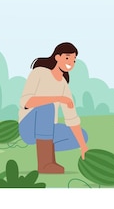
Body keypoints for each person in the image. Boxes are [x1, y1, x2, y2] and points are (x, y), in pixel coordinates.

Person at [18, 42, 89, 174]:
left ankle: (47, 154)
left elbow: (71, 118)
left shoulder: (63, 83)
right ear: (57, 57)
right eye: (67, 58)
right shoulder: (39, 73)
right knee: (47, 107)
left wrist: (83, 147)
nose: (71, 63)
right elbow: (26, 102)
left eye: (74, 60)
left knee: (82, 136)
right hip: (28, 127)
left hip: (47, 131)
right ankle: (44, 164)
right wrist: (58, 98)